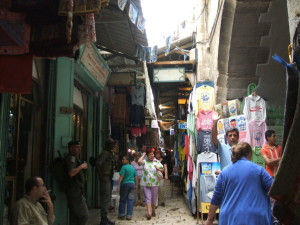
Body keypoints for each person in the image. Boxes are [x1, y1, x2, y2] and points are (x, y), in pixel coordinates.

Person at [205, 142, 273, 225]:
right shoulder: (259, 170)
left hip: (229, 218)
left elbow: (216, 198)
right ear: (249, 154)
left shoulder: (224, 172)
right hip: (255, 217)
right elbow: (274, 190)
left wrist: (209, 219)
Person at [65, 140, 89, 225]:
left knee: (74, 216)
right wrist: (81, 167)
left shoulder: (75, 158)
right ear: (71, 149)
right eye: (76, 148)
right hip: (74, 190)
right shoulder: (71, 158)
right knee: (84, 215)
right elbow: (71, 173)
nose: (79, 150)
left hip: (76, 190)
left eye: (79, 148)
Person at [95, 138, 117, 225]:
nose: (113, 146)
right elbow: (98, 164)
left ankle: (105, 218)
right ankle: (103, 219)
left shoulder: (109, 153)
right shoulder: (105, 154)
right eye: (111, 144)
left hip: (108, 176)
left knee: (108, 198)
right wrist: (101, 175)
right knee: (105, 198)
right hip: (105, 177)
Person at [138, 148, 164, 220]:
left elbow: (162, 169)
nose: (151, 156)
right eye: (149, 155)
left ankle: (153, 211)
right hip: (146, 183)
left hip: (155, 183)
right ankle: (149, 213)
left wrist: (158, 169)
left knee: (154, 198)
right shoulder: (145, 162)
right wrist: (143, 155)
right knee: (148, 198)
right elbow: (139, 161)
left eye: (152, 154)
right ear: (147, 156)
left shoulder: (157, 162)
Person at [117, 155, 138, 220]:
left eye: (124, 159)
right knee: (131, 200)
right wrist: (136, 185)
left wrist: (118, 185)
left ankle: (122, 214)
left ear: (128, 160)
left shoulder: (123, 167)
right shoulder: (132, 168)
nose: (122, 160)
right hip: (132, 185)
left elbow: (121, 177)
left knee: (123, 199)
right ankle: (129, 215)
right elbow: (136, 177)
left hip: (125, 185)